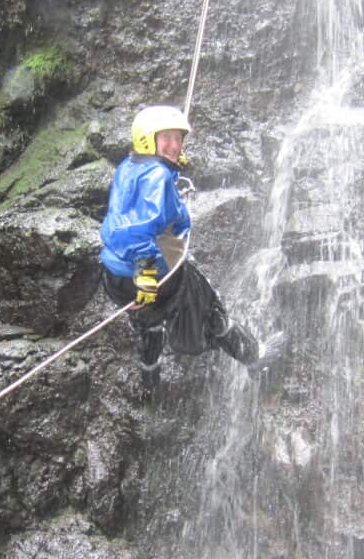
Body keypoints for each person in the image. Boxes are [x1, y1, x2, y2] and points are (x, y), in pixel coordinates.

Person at [100, 105, 275, 390]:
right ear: (148, 138)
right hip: (147, 271)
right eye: (165, 137)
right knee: (207, 303)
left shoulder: (131, 166)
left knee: (149, 316)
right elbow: (139, 226)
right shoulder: (156, 175)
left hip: (115, 275)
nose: (174, 145)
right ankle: (255, 357)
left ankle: (150, 376)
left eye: (177, 138)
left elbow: (131, 214)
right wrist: (145, 269)